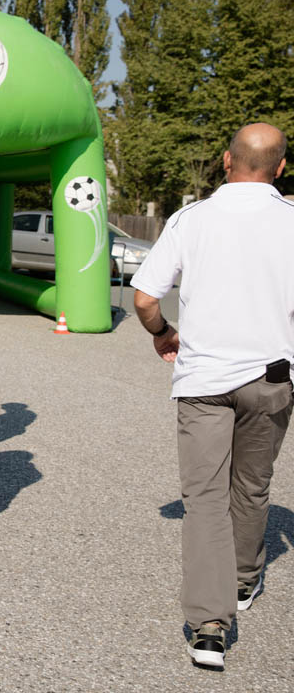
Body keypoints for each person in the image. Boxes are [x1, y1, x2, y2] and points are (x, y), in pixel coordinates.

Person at [132, 122, 293, 670]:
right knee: (252, 487)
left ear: (227, 161)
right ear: (281, 167)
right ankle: (244, 580)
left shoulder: (191, 218)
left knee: (204, 501)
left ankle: (209, 628)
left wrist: (163, 333)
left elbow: (145, 297)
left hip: (203, 380)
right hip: (272, 378)